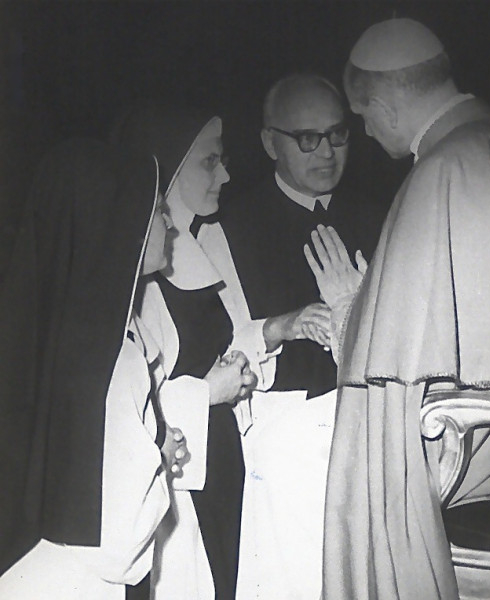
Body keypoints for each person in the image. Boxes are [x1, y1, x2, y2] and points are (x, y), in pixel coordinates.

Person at [304, 18, 490, 600]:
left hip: (480, 473)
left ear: (383, 105)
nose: (368, 131)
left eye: (363, 117)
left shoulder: (441, 171)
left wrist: (351, 313)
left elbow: (401, 384)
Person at [0, 138, 192, 598]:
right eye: (159, 211)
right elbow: (118, 546)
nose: (171, 226)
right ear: (120, 225)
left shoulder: (51, 334)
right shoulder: (114, 358)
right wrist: (161, 456)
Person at [220, 73, 387, 599]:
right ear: (271, 142)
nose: (328, 152)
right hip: (279, 439)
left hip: (370, 429)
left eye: (337, 134)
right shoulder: (231, 225)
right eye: (308, 139)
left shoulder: (381, 215)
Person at [110, 104, 260, 600]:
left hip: (216, 454)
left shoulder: (201, 243)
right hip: (176, 474)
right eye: (209, 161)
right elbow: (127, 411)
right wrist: (207, 392)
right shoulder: (136, 277)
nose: (226, 175)